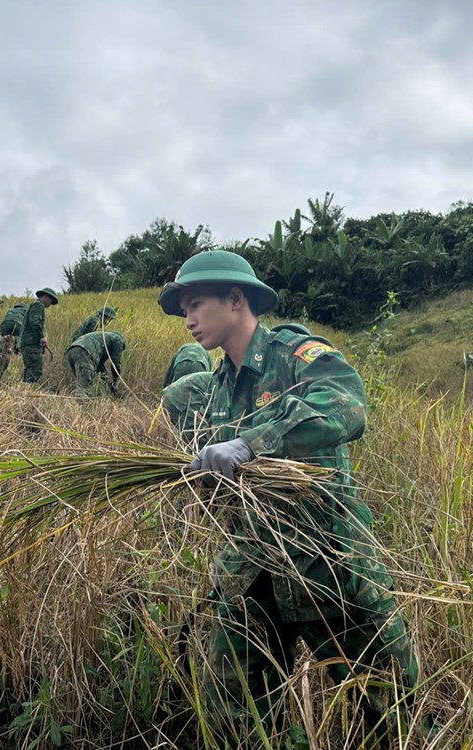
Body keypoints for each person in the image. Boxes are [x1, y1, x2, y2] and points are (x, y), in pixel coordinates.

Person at [158, 250, 419, 746]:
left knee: (392, 712)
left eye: (195, 305)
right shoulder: (215, 390)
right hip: (251, 570)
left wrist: (251, 443)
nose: (188, 320)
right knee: (239, 715)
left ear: (235, 299)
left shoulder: (294, 354)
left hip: (328, 566)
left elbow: (346, 405)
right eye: (184, 310)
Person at [160, 370, 213, 447]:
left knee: (191, 437)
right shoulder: (225, 384)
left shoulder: (220, 378)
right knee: (203, 437)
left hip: (168, 396)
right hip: (183, 398)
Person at [64, 330, 124, 399]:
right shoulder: (118, 339)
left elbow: (99, 368)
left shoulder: (102, 338)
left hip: (72, 351)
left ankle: (87, 403)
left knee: (86, 384)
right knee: (84, 389)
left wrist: (109, 384)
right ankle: (83, 407)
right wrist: (115, 382)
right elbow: (115, 365)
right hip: (84, 352)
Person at [19, 288, 58, 383]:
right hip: (32, 344)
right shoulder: (38, 305)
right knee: (35, 369)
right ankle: (28, 391)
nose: (50, 305)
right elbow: (35, 322)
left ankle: (24, 391)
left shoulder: (34, 305)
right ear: (45, 297)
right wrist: (41, 337)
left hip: (27, 343)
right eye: (51, 301)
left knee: (29, 369)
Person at [0, 303, 27, 380]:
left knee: (3, 341)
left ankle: (0, 354)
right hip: (18, 324)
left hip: (5, 323)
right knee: (17, 340)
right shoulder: (25, 310)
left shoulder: (11, 310)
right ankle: (15, 352)